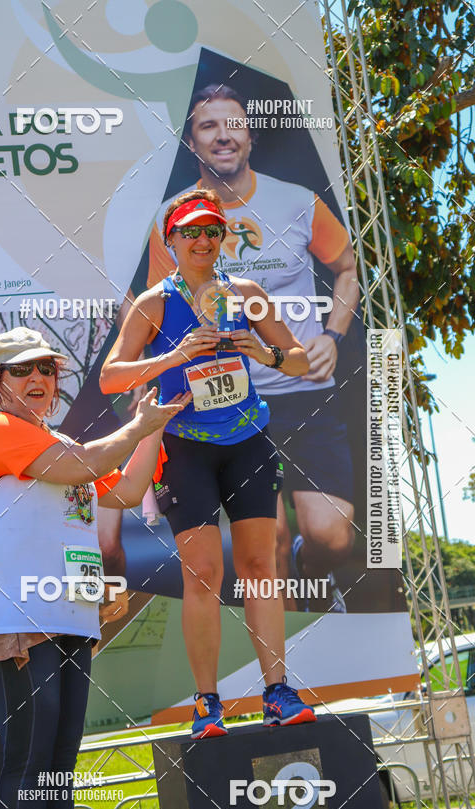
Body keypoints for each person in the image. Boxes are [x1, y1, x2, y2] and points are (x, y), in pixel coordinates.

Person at [0, 326, 187, 809]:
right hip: (8, 617)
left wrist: (153, 427)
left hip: (68, 617)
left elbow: (123, 492)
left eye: (47, 370)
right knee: (28, 759)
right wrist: (134, 428)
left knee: (57, 765)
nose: (39, 379)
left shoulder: (56, 441)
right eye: (23, 370)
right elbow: (85, 467)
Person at [100, 189, 316, 739]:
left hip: (248, 439)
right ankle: (207, 702)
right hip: (185, 446)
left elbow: (298, 362)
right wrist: (175, 356)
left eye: (212, 230)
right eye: (191, 231)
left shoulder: (245, 293)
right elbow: (110, 376)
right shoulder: (153, 304)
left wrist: (261, 352)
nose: (202, 240)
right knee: (203, 573)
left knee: (260, 567)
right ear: (171, 240)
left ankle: (277, 691)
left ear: (224, 238)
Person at [144, 85, 361, 612]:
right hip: (226, 405)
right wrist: (154, 389)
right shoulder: (170, 220)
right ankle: (288, 667)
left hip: (302, 389)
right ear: (192, 142)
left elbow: (349, 267)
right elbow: (156, 312)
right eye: (207, 126)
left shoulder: (296, 199)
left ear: (250, 133)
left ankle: (317, 574)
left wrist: (332, 334)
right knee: (268, 548)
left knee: (334, 536)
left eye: (233, 123)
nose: (223, 135)